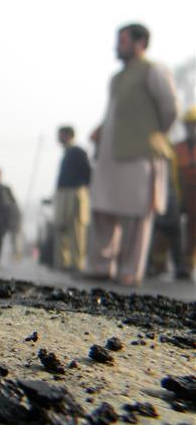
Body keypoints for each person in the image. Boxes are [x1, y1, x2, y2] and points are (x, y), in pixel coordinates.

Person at [86, 23, 178, 286]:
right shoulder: (117, 77)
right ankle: (101, 265)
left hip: (140, 153)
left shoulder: (153, 71)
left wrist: (154, 134)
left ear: (140, 43)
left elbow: (169, 108)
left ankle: (129, 270)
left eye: (123, 41)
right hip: (111, 154)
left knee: (137, 215)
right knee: (102, 206)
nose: (117, 46)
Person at [53, 125, 91, 272]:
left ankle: (78, 263)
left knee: (76, 228)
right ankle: (63, 263)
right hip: (63, 193)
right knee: (61, 227)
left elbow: (88, 173)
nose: (58, 138)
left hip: (75, 192)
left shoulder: (77, 152)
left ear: (68, 135)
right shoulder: (67, 153)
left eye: (61, 135)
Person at [176, 106, 196, 280]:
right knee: (188, 229)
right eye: (189, 125)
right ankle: (186, 266)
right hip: (184, 192)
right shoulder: (178, 147)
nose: (192, 129)